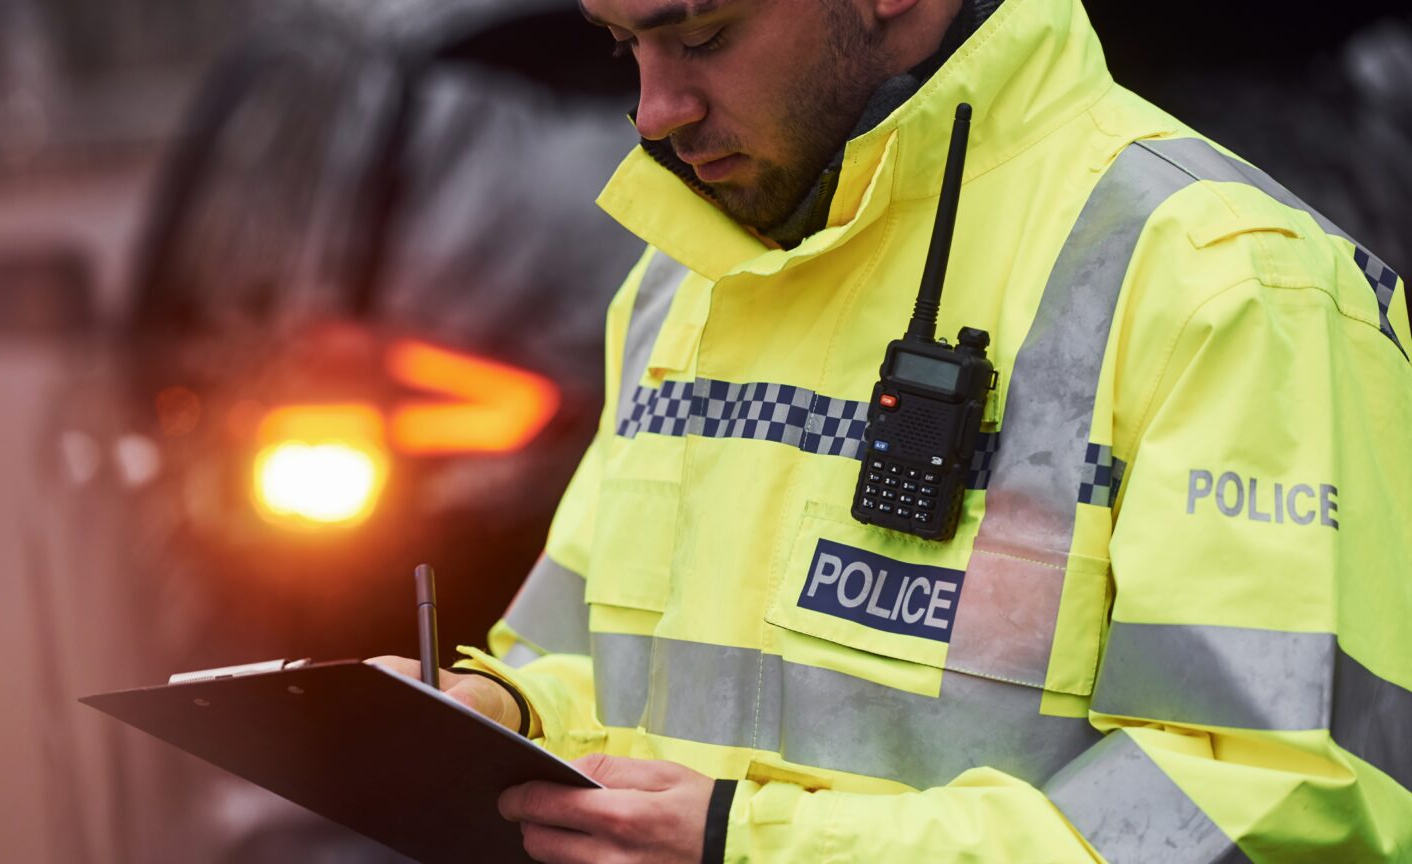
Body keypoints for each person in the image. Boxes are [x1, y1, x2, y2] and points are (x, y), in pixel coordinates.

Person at [375, 0, 1412, 860]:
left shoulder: (1235, 280)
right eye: (625, 44)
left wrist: (755, 846)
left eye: (699, 37)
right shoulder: (684, 275)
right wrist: (503, 712)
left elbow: (1282, 808)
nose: (654, 110)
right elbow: (608, 663)